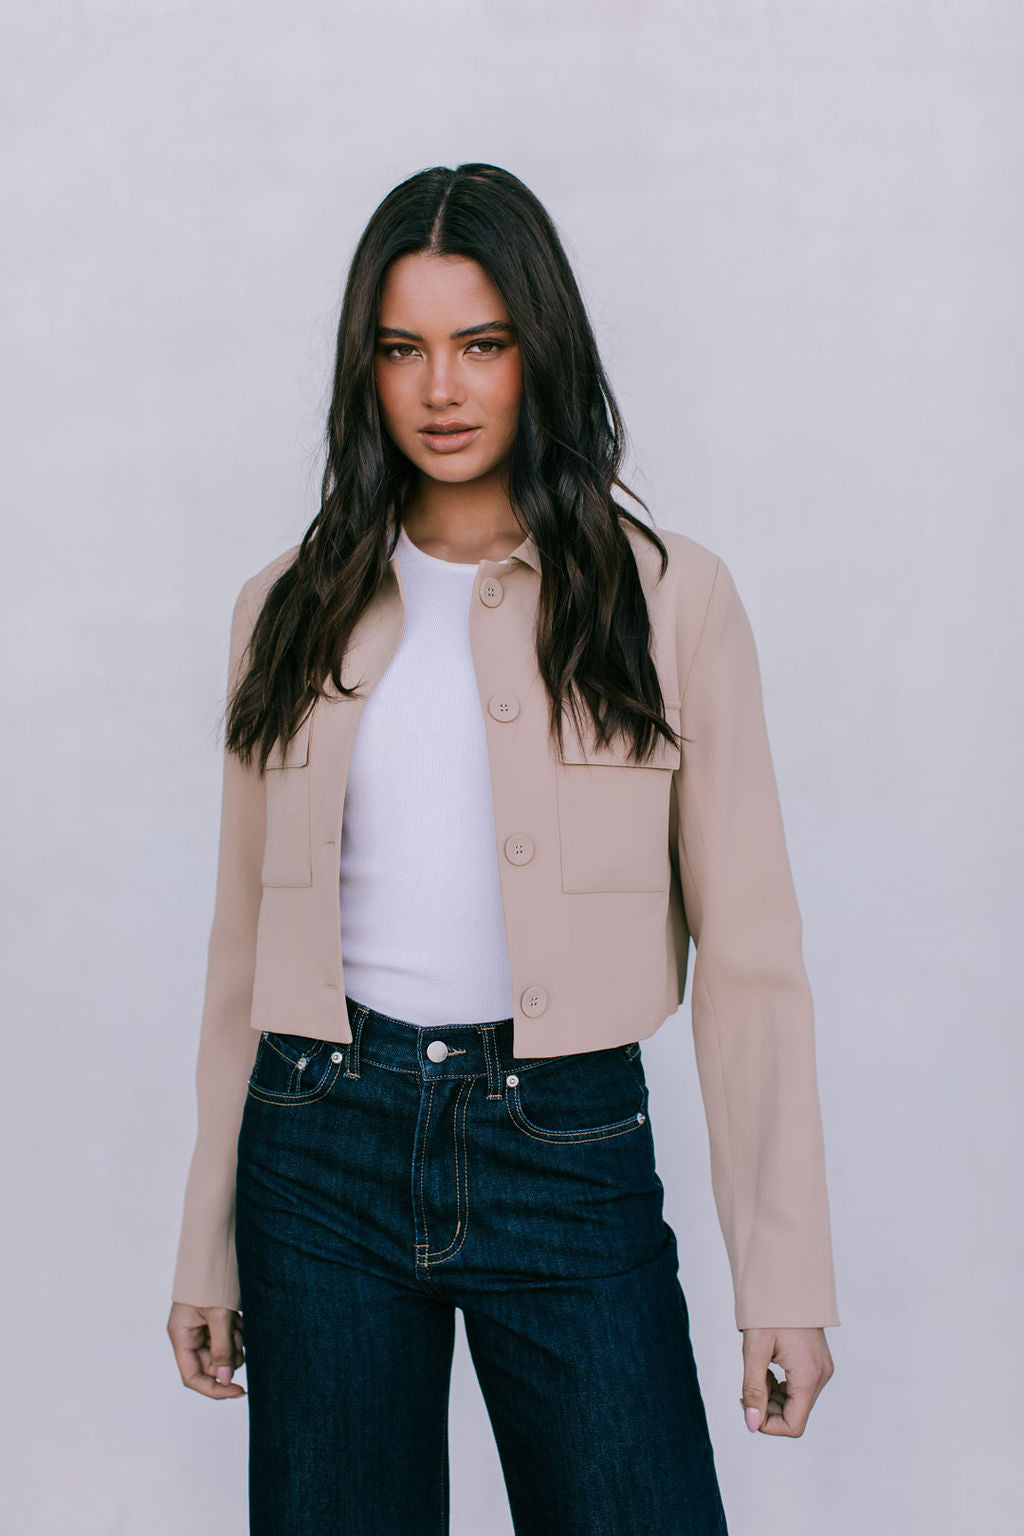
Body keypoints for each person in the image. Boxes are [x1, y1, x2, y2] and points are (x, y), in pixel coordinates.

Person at [166, 162, 838, 1536]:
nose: (442, 390)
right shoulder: (281, 613)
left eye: (482, 345)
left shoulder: (668, 600)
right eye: (402, 350)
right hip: (318, 1147)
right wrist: (208, 1240)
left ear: (541, 351)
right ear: (367, 370)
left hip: (567, 1147)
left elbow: (754, 958)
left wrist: (785, 1280)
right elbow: (241, 956)